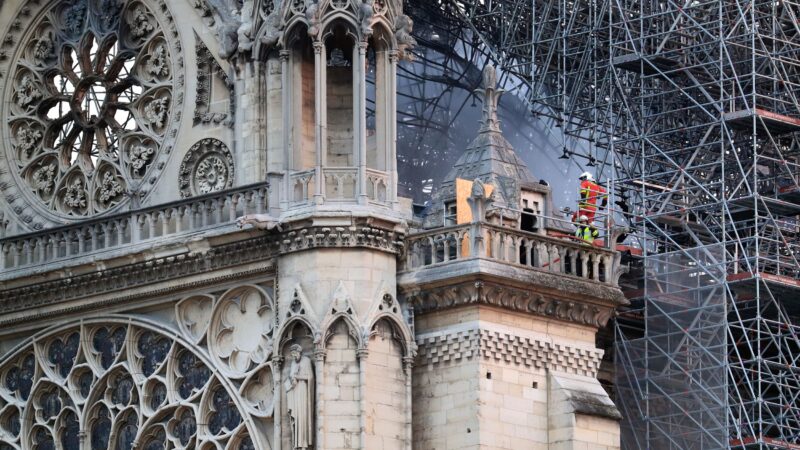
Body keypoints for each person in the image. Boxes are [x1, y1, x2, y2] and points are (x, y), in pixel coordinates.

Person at [285, 344, 314, 449]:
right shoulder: (293, 363)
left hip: (303, 391)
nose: (293, 357)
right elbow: (291, 376)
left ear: (299, 352)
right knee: (296, 418)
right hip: (295, 391)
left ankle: (303, 443)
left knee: (302, 416)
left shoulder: (306, 361)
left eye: (295, 354)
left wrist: (298, 377)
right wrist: (292, 380)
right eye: (292, 355)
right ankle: (296, 443)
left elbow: (310, 377)